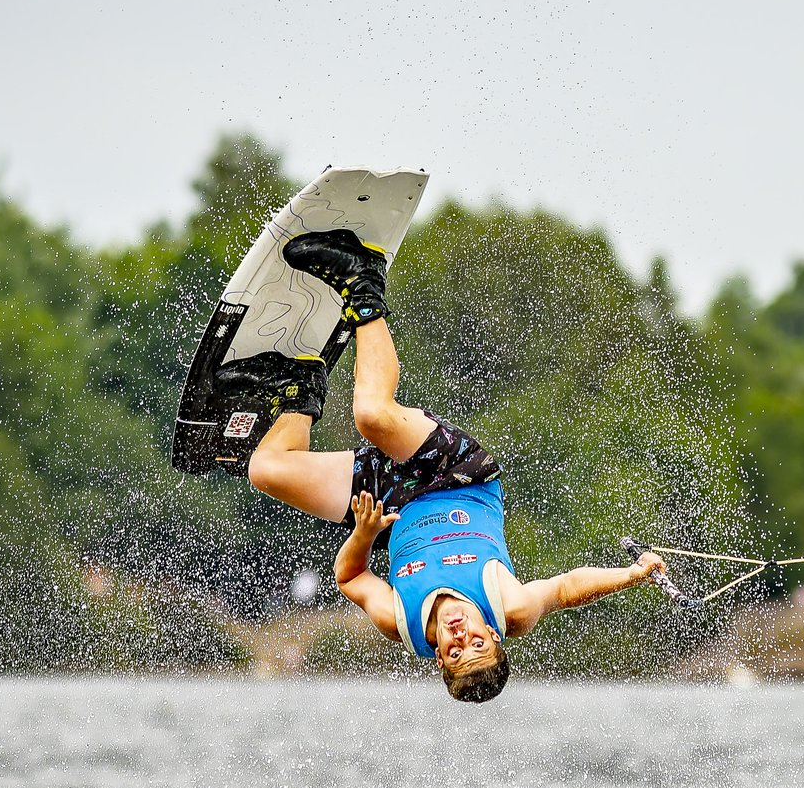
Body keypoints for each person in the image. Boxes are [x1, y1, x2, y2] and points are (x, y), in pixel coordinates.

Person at [213, 228, 668, 703]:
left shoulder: (402, 624)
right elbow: (569, 589)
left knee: (266, 470)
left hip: (384, 506)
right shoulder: (509, 607)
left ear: (439, 660)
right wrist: (632, 575)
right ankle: (361, 282)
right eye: (476, 642)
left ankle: (298, 383)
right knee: (371, 417)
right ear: (493, 637)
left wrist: (364, 534)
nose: (460, 635)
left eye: (455, 652)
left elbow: (350, 578)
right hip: (455, 476)